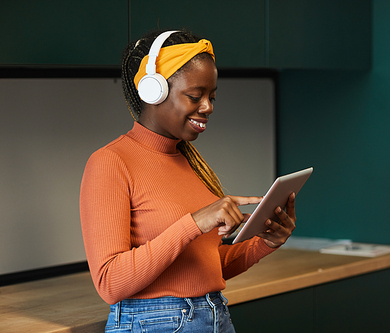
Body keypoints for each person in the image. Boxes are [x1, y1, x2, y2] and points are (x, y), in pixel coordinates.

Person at [79, 29, 297, 333]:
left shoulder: (191, 163)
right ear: (153, 91)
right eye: (196, 96)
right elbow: (110, 283)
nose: (208, 106)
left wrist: (263, 243)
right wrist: (194, 222)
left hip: (215, 315)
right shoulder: (110, 162)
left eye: (212, 97)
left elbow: (204, 266)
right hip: (154, 323)